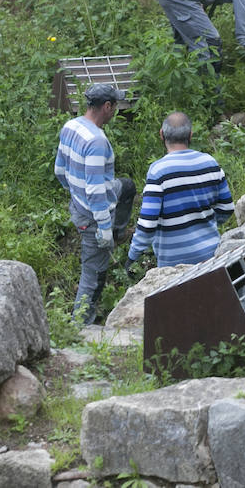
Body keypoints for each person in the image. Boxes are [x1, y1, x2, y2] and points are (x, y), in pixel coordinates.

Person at [54, 83, 136, 324]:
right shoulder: (97, 142)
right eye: (115, 106)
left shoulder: (71, 126)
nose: (117, 111)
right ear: (107, 107)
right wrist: (102, 227)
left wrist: (74, 193)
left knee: (127, 187)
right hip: (92, 216)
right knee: (93, 276)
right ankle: (80, 326)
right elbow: (95, 190)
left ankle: (119, 230)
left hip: (79, 204)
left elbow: (59, 170)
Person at [125, 111, 235, 271]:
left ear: (161, 135)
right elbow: (227, 208)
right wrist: (205, 223)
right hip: (211, 256)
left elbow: (148, 224)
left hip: (173, 265)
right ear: (190, 135)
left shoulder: (158, 171)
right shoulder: (210, 162)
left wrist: (132, 256)